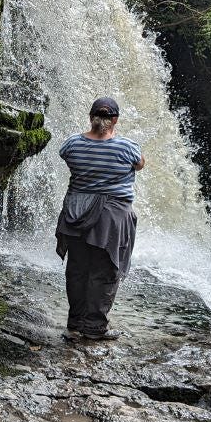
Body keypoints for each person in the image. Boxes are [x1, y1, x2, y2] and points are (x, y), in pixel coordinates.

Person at [56, 96, 144, 343]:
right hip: (111, 217)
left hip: (76, 212)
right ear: (114, 120)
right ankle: (94, 327)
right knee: (104, 270)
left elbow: (66, 157)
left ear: (91, 117)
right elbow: (139, 165)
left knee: (77, 270)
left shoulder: (72, 144)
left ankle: (74, 323)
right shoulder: (127, 147)